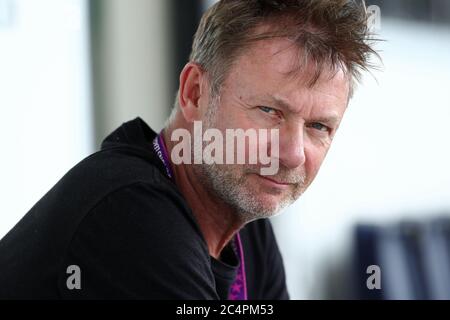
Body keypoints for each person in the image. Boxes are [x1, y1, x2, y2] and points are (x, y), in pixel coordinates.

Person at [0, 0, 377, 299]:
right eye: (270, 111)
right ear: (195, 92)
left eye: (318, 127)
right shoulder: (131, 214)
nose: (293, 154)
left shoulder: (248, 233)